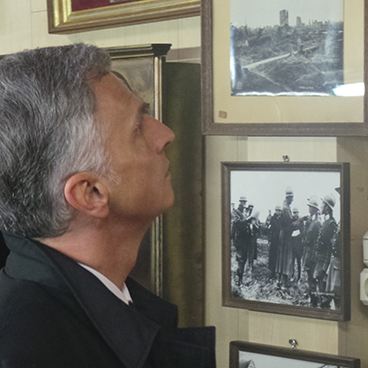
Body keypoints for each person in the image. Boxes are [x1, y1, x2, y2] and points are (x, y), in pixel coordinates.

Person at [0, 44, 215, 367]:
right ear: (91, 194)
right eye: (138, 127)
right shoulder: (33, 351)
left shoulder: (57, 311)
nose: (165, 135)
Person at [314, 193, 338, 309]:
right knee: (320, 290)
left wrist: (324, 268)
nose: (321, 206)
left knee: (324, 295)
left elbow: (330, 248)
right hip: (319, 261)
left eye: (323, 204)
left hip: (324, 263)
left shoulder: (331, 224)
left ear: (327, 207)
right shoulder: (325, 222)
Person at [301, 196, 321, 307]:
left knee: (312, 280)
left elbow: (316, 242)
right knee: (310, 279)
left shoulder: (317, 223)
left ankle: (314, 303)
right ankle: (312, 300)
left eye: (310, 207)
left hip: (312, 255)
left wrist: (313, 257)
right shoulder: (312, 221)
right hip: (308, 253)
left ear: (314, 209)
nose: (309, 208)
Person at [276, 187, 296, 288]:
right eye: (292, 198)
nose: (293, 200)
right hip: (286, 237)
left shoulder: (286, 207)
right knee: (285, 259)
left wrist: (294, 219)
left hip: (283, 235)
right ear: (288, 197)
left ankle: (279, 281)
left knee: (282, 259)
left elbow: (288, 221)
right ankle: (283, 283)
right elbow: (289, 226)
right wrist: (299, 221)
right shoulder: (286, 208)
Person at [232, 196, 252, 286]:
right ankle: (238, 280)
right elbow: (237, 223)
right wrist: (246, 221)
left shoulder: (245, 213)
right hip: (239, 239)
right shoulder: (235, 212)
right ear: (240, 202)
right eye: (243, 202)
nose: (244, 204)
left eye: (245, 202)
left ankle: (240, 279)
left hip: (245, 240)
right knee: (240, 260)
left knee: (243, 259)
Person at [267, 205, 281, 279]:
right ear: (275, 211)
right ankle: (272, 273)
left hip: (276, 239)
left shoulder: (278, 218)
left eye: (279, 211)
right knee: (273, 256)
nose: (278, 212)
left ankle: (274, 272)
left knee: (275, 256)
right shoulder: (273, 218)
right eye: (277, 210)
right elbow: (276, 227)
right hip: (274, 239)